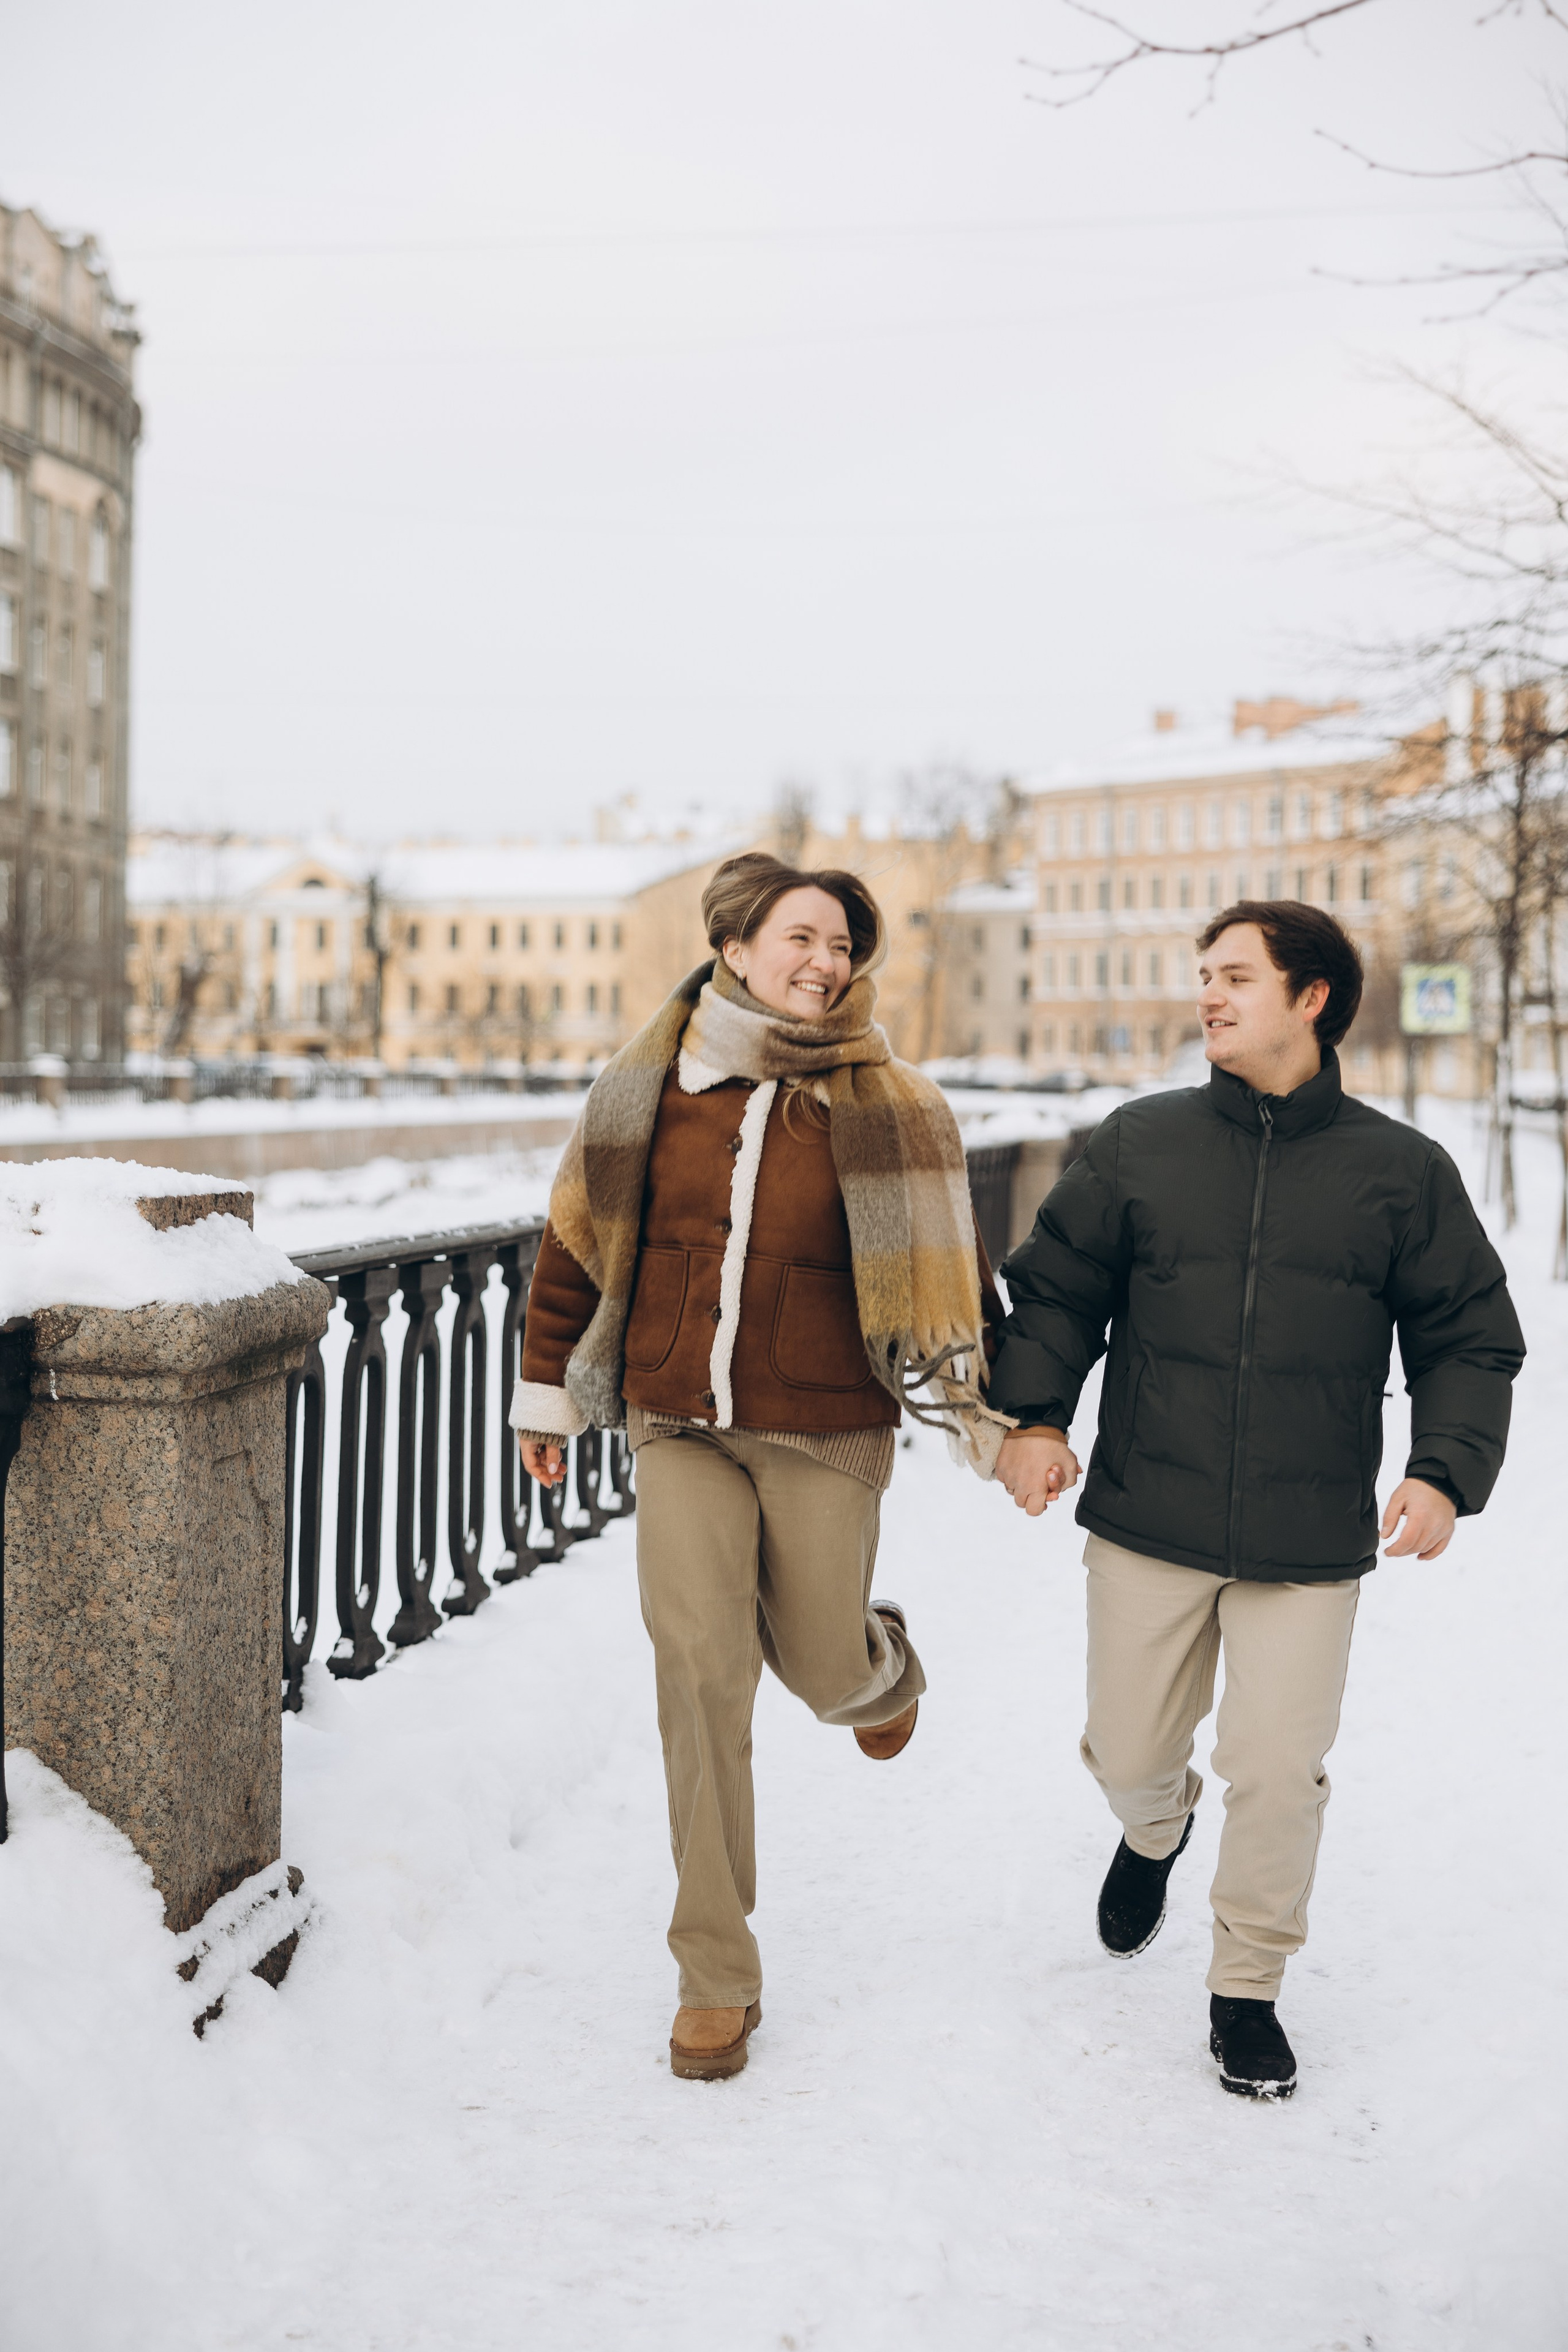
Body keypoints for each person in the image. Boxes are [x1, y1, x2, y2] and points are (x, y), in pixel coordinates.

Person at [987, 901, 1524, 2100]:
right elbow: (1055, 1293)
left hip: (1304, 1537)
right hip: (1144, 1510)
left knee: (1278, 1770)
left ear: (1310, 997)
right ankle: (1151, 1826)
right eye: (1202, 976)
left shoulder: (1400, 1172)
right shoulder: (1140, 1142)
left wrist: (1441, 1468)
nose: (1208, 996)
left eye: (1234, 976)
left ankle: (1245, 1988)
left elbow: (1467, 1337)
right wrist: (1031, 1419)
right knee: (1128, 1750)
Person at [511, 852, 1008, 2081]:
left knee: (821, 1669)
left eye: (841, 947)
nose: (823, 964)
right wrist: (546, 1394)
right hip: (676, 1416)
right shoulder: (642, 1090)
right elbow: (575, 1250)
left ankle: (876, 1673)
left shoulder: (886, 1104)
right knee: (699, 1672)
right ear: (734, 946)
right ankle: (714, 1976)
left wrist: (995, 1404)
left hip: (824, 1418)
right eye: (800, 938)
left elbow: (949, 1275)